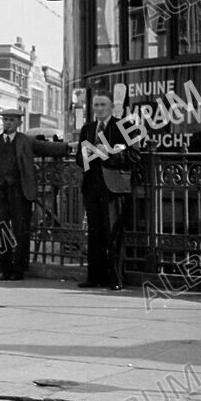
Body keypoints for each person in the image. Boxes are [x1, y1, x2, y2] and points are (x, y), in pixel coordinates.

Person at [0, 109, 70, 280]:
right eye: (5, 119)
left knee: (21, 230)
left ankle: (19, 269)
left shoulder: (25, 141)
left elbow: (47, 148)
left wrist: (68, 147)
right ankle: (5, 268)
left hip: (19, 191)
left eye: (12, 120)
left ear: (19, 123)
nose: (8, 123)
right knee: (0, 229)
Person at [77, 94, 140, 291]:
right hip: (93, 186)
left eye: (103, 104)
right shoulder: (87, 129)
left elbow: (135, 155)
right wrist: (87, 155)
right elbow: (80, 158)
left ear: (111, 107)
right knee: (94, 233)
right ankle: (95, 277)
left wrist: (110, 153)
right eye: (96, 105)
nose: (99, 108)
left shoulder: (125, 126)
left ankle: (116, 279)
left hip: (114, 187)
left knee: (114, 233)